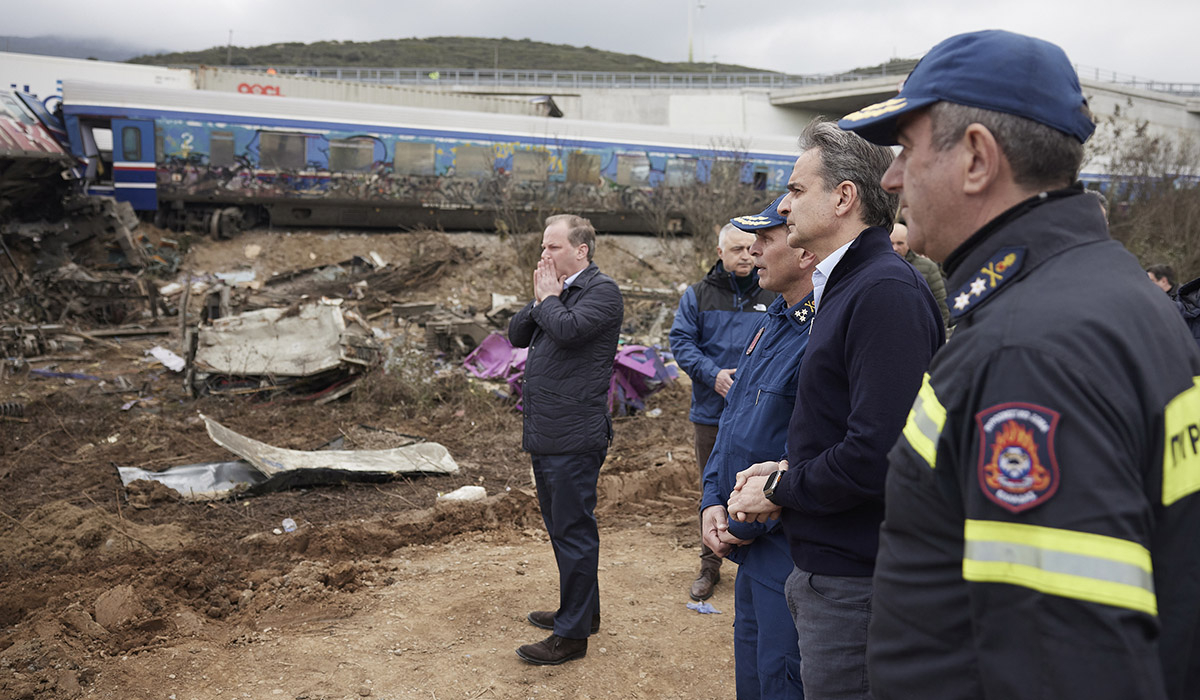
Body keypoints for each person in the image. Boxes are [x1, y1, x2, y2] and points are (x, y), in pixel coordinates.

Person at [837, 29, 1200, 699]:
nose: (890, 178)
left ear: (977, 157)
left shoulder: (1024, 351)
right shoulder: (1116, 291)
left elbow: (1065, 665)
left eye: (907, 150)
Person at [726, 119, 944, 700]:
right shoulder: (850, 286)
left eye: (796, 191)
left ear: (844, 197)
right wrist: (781, 470)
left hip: (856, 576)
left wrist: (780, 488)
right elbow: (846, 427)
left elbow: (881, 453)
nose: (783, 204)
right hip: (832, 565)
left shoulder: (882, 292)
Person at [700, 195, 815, 700]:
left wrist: (743, 522)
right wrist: (710, 500)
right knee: (753, 674)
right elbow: (734, 427)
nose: (754, 251)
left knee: (782, 678)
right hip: (747, 540)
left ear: (805, 251)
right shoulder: (774, 320)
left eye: (766, 240)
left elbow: (803, 446)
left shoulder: (821, 330)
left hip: (783, 546)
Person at [508, 214, 623, 665]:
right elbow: (517, 335)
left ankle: (572, 637)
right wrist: (541, 299)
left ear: (581, 251)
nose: (544, 255)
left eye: (553, 247)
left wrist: (550, 299)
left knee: (574, 532)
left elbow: (570, 331)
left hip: (574, 435)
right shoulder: (556, 293)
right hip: (548, 431)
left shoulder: (602, 292)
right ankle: (582, 612)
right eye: (542, 247)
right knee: (563, 529)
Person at [669, 222, 777, 600]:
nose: (746, 256)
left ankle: (755, 559)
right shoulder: (697, 295)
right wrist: (712, 375)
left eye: (751, 248)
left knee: (760, 486)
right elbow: (681, 341)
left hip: (760, 415)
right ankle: (709, 564)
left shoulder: (773, 293)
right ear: (720, 253)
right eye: (736, 250)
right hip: (711, 411)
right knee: (711, 488)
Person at [890, 222, 950, 328]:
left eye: (900, 243)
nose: (895, 248)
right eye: (892, 243)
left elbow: (941, 306)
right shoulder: (879, 267)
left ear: (908, 243)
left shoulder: (928, 268)